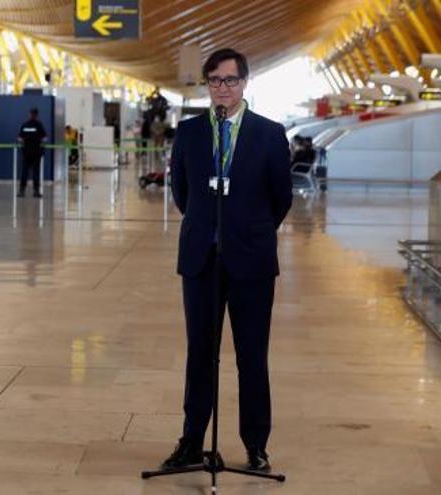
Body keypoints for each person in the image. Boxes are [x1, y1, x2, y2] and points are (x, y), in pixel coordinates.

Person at [164, 48, 292, 473]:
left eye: (230, 80)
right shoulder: (189, 132)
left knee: (252, 356)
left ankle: (256, 444)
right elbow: (182, 192)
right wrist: (210, 228)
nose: (223, 89)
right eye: (215, 81)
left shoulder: (270, 134)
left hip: (252, 262)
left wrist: (246, 230)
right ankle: (191, 441)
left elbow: (281, 199)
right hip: (202, 259)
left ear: (244, 83)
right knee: (200, 353)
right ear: (207, 85)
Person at [17, 107, 47, 197]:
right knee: (35, 172)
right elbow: (45, 138)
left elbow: (19, 138)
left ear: (30, 114)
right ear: (37, 115)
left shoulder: (25, 125)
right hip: (36, 152)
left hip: (27, 152)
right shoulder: (39, 125)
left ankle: (22, 191)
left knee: (25, 172)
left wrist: (24, 142)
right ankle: (35, 191)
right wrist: (39, 142)